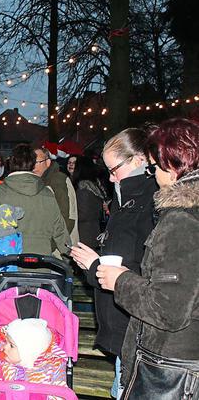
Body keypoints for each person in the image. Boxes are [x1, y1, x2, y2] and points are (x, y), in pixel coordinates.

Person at [95, 118, 199, 399]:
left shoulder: (181, 220)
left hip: (173, 365)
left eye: (156, 167)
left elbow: (168, 309)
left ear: (175, 166)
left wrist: (121, 280)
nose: (153, 175)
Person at [70, 128, 158, 398]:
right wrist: (91, 267)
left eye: (113, 169)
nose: (109, 177)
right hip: (120, 321)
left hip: (134, 327)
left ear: (138, 160)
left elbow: (145, 270)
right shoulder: (124, 200)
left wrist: (97, 266)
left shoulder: (150, 202)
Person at [0, 144, 70, 257]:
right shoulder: (47, 193)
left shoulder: (0, 191)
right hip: (41, 262)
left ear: (11, 163)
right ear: (33, 164)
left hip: (6, 262)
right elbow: (59, 229)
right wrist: (69, 254)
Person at [0, 318, 68, 398]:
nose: (4, 347)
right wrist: (0, 397)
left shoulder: (52, 367)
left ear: (27, 351)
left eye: (11, 345)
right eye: (6, 342)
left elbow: (60, 393)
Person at [33, 146, 78, 244]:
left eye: (37, 162)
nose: (33, 166)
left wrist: (50, 245)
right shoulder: (38, 181)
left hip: (59, 249)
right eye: (32, 162)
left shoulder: (58, 180)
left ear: (48, 162)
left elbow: (68, 218)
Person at [71, 156, 107, 248]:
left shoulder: (83, 189)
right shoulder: (94, 186)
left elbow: (84, 213)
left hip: (84, 233)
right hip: (94, 230)